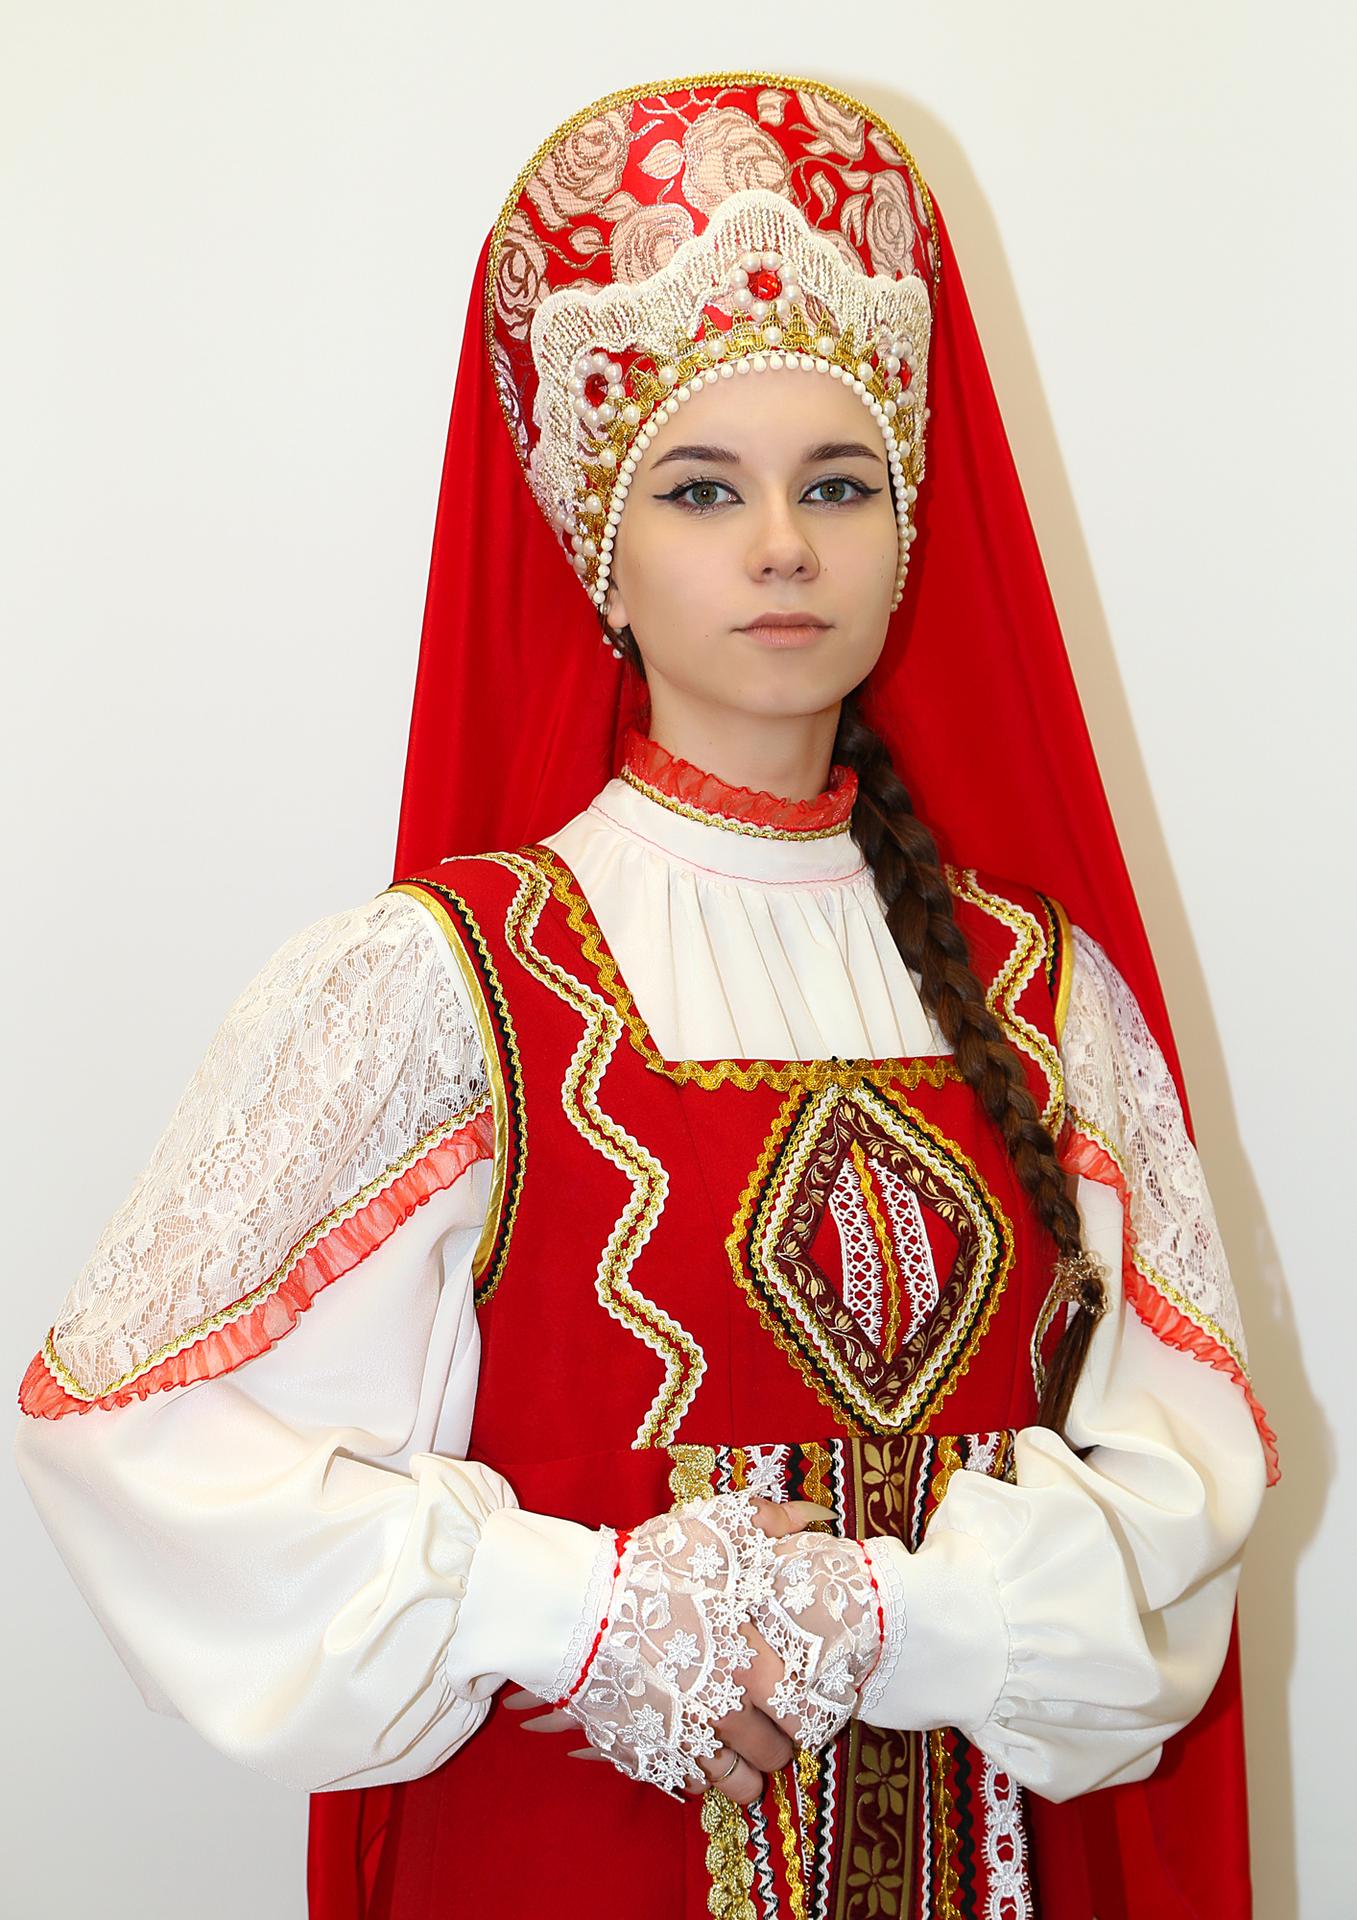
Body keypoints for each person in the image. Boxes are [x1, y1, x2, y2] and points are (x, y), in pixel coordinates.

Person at [14, 73, 1278, 1920]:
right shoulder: (441, 985)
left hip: (1007, 1867)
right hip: (574, 1865)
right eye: (703, 489)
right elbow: (126, 1428)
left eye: (836, 484)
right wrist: (585, 1611)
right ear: (601, 553)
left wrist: (890, 1619)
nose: (782, 546)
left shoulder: (1041, 994)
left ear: (906, 528)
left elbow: (1189, 1484)